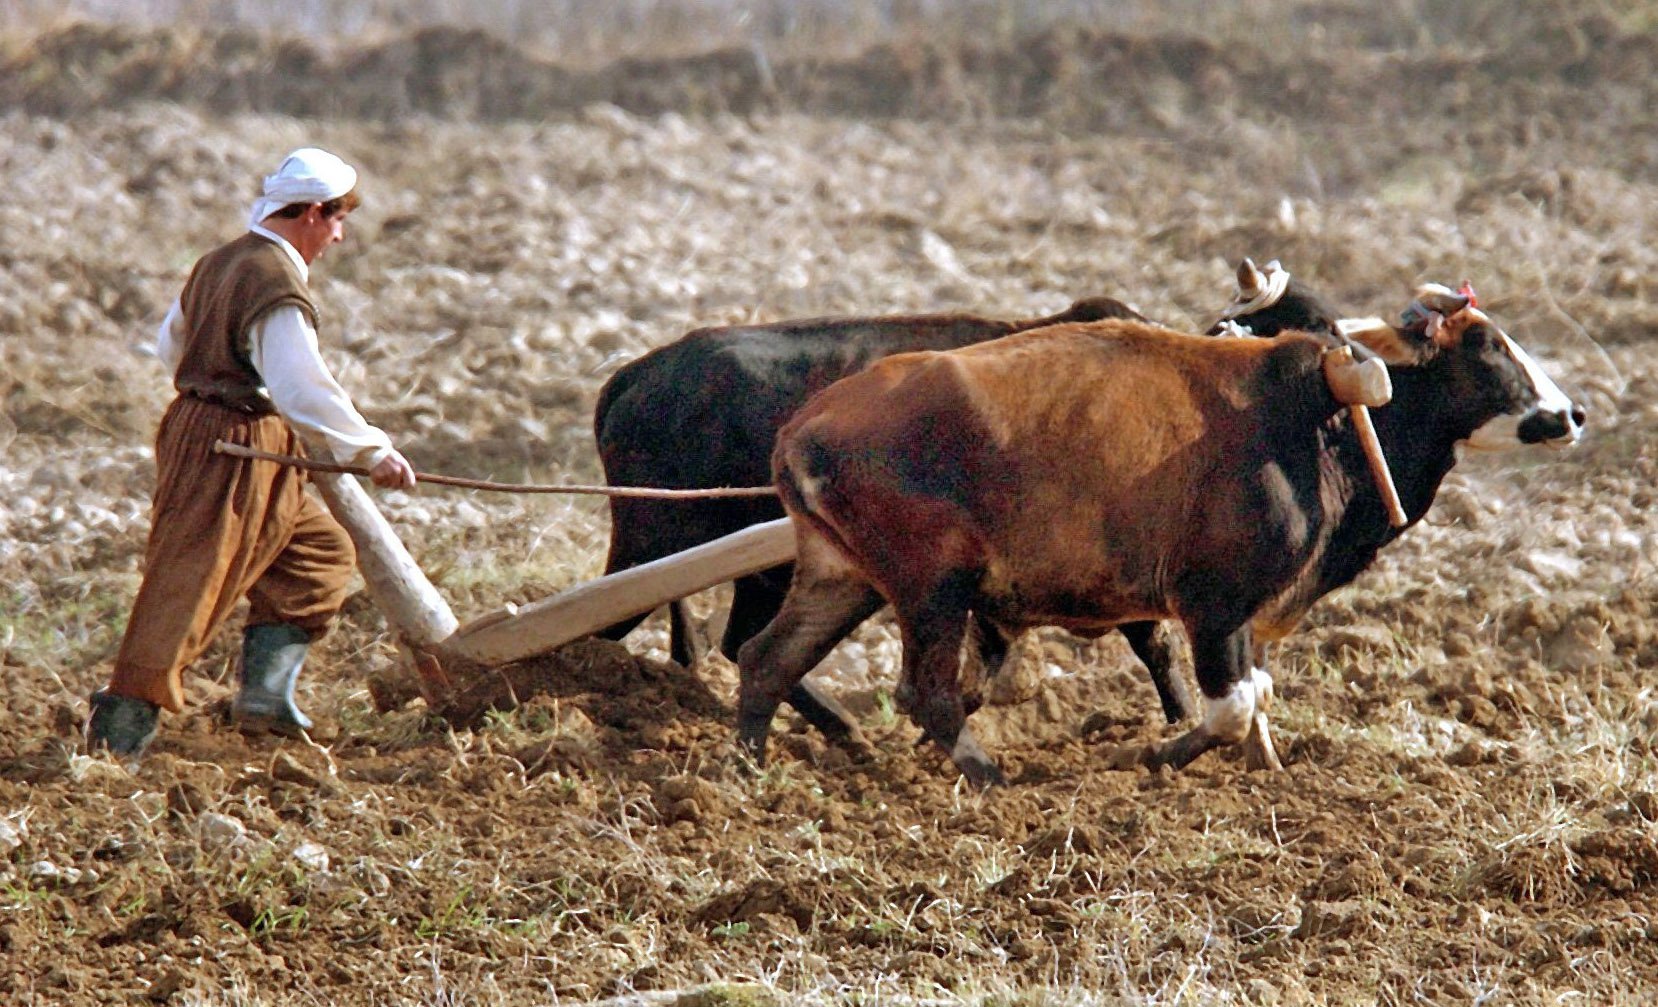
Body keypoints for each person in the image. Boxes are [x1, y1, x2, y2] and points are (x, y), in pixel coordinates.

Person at [86, 147, 418, 761]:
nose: (340, 237)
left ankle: (264, 700)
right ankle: (121, 723)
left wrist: (214, 390)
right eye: (339, 219)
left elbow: (171, 343)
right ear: (313, 212)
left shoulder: (221, 261)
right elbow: (301, 384)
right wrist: (372, 450)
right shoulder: (272, 278)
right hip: (233, 444)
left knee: (317, 555)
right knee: (191, 581)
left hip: (225, 430)